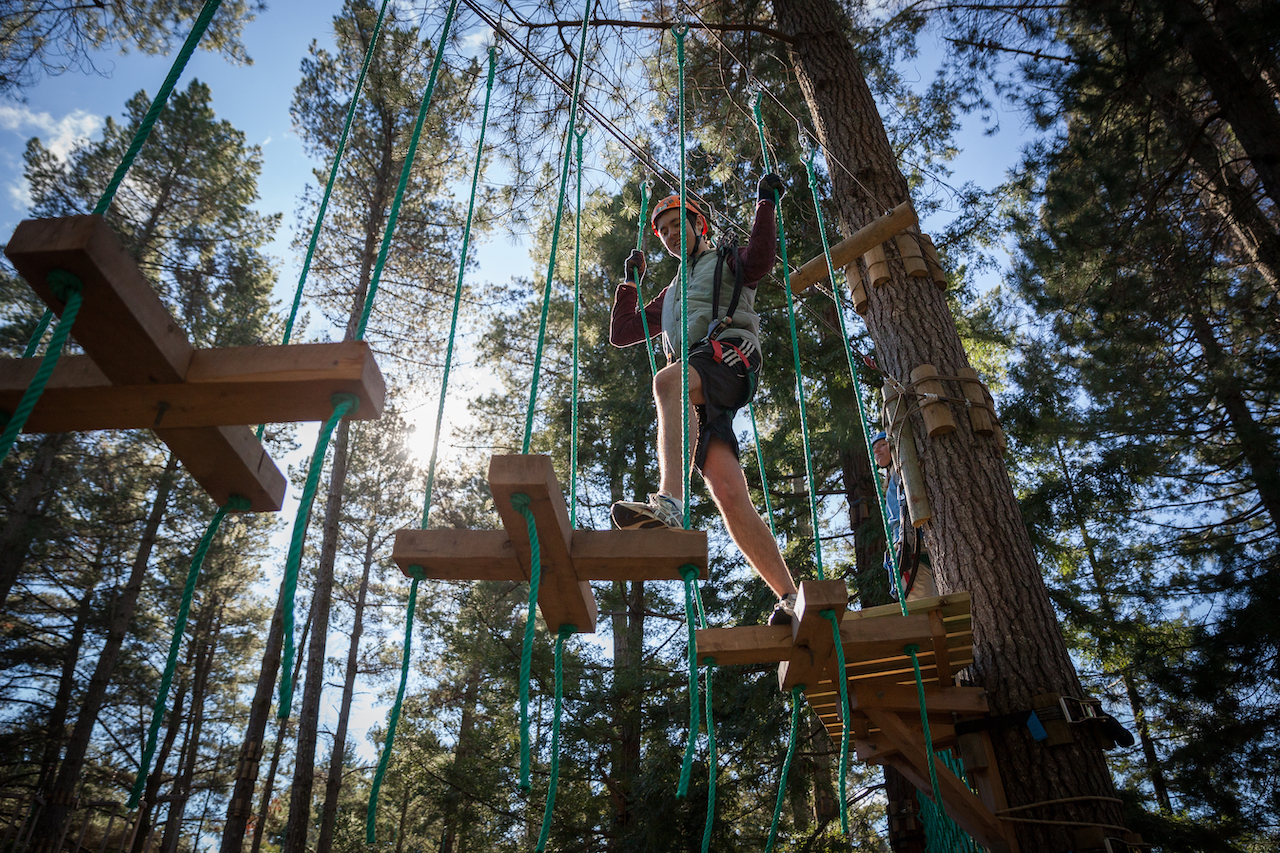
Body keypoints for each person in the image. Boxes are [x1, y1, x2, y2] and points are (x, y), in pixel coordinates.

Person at [607, 176, 800, 626]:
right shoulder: (672, 292)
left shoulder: (726, 259)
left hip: (727, 357)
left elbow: (761, 260)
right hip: (698, 385)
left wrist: (765, 204)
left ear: (700, 225)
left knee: (666, 382)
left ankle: (670, 503)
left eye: (679, 224)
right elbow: (623, 332)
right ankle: (789, 596)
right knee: (729, 494)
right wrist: (630, 283)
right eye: (664, 231)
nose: (672, 234)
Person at [871, 431, 937, 601]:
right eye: (874, 449)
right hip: (911, 548)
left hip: (912, 548)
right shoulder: (894, 480)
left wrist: (904, 542)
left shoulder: (902, 473)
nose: (876, 451)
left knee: (923, 606)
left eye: (882, 445)